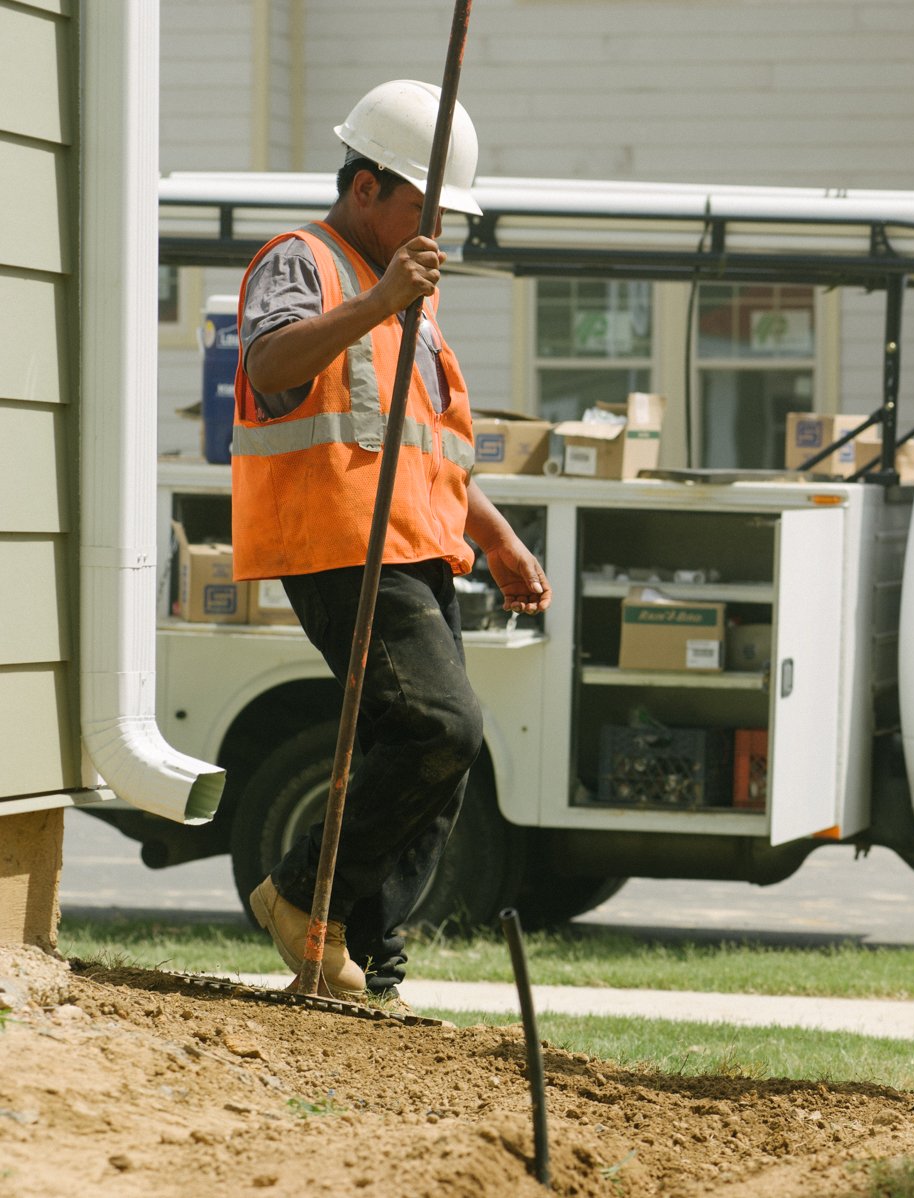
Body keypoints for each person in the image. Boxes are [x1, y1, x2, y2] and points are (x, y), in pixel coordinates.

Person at [231, 79, 552, 1005]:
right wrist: (379, 300)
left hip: (413, 542)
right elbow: (268, 366)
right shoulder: (307, 263)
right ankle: (298, 897)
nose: (439, 230)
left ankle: (366, 970)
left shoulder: (402, 289)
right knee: (440, 727)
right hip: (336, 541)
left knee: (429, 760)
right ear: (365, 187)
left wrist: (493, 537)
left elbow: (429, 448)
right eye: (425, 205)